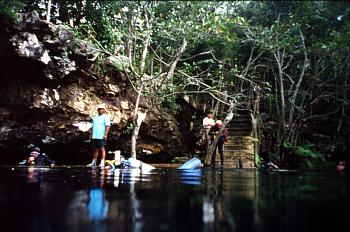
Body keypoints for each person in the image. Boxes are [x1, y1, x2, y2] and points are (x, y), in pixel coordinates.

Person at [87, 103, 111, 167]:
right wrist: (91, 134)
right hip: (94, 135)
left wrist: (105, 134)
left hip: (101, 135)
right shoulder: (95, 117)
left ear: (103, 110)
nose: (100, 110)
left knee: (102, 148)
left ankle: (102, 162)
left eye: (101, 109)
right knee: (95, 149)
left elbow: (107, 126)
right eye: (99, 109)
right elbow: (92, 126)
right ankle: (94, 162)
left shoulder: (105, 117)